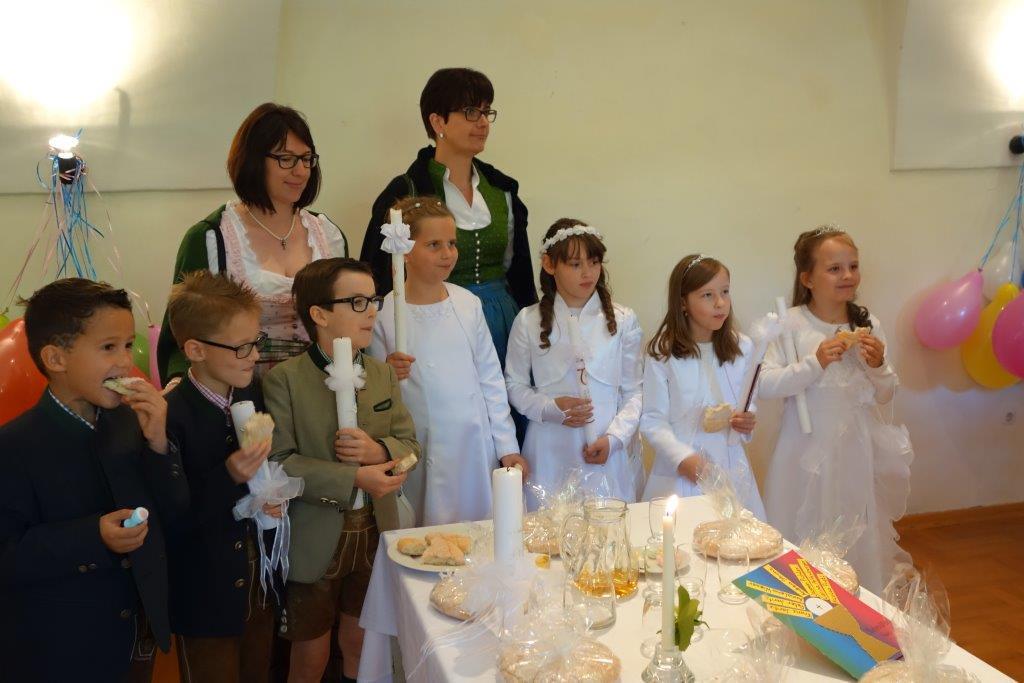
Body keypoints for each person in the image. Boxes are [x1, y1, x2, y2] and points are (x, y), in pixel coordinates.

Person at [0, 279, 188, 682]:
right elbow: (9, 553)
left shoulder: (131, 422)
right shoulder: (14, 445)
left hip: (138, 630)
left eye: (128, 345)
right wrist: (93, 537)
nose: (126, 362)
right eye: (108, 348)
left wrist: (159, 443)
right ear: (55, 358)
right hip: (61, 646)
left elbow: (173, 511)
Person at [262, 258, 419, 683]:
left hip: (374, 531)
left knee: (361, 644)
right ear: (319, 314)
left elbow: (410, 448)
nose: (371, 312)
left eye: (373, 300)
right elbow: (280, 462)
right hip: (315, 536)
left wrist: (377, 451)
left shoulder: (381, 374)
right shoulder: (285, 380)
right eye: (357, 302)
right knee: (310, 655)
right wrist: (353, 478)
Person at [760, 225, 913, 593]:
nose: (847, 276)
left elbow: (886, 394)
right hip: (802, 451)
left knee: (852, 528)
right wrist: (814, 363)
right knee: (801, 530)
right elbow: (765, 384)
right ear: (807, 279)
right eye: (834, 269)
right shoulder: (790, 325)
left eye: (853, 266)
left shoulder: (868, 324)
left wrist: (878, 366)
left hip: (854, 452)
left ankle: (854, 608)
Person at [158, 102, 347, 383]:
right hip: (238, 392)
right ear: (254, 161)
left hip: (318, 390)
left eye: (306, 158)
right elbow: (181, 334)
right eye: (286, 159)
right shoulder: (211, 238)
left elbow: (348, 321)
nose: (301, 171)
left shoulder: (328, 235)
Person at [360, 68, 536, 365]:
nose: (482, 122)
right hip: (433, 321)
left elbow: (519, 272)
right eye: (470, 112)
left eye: (486, 112)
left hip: (503, 319)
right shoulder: (406, 191)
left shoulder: (501, 190)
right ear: (437, 121)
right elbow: (378, 275)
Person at [369, 196, 526, 526]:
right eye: (434, 245)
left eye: (452, 243)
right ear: (405, 250)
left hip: (473, 443)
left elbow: (490, 380)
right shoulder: (385, 314)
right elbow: (375, 392)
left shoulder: (467, 304)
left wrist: (507, 446)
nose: (448, 254)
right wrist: (387, 371)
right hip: (422, 444)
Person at [164, 271, 285, 683]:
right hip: (205, 594)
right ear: (195, 349)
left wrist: (271, 496)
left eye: (256, 341)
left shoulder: (251, 392)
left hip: (257, 582)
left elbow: (264, 477)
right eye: (241, 347)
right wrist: (229, 474)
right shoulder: (171, 417)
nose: (254, 355)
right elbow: (173, 514)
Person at [505, 219, 644, 507]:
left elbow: (634, 392)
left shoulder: (623, 320)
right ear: (549, 264)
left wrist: (614, 439)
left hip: (604, 448)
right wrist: (549, 409)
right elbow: (514, 384)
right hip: (549, 451)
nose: (587, 273)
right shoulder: (528, 320)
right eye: (575, 264)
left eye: (594, 262)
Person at [639, 254, 765, 519]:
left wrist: (746, 420)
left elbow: (748, 399)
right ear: (683, 302)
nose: (720, 303)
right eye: (707, 295)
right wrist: (683, 458)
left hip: (730, 465)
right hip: (683, 470)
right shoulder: (662, 352)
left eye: (725, 292)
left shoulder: (742, 347)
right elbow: (652, 419)